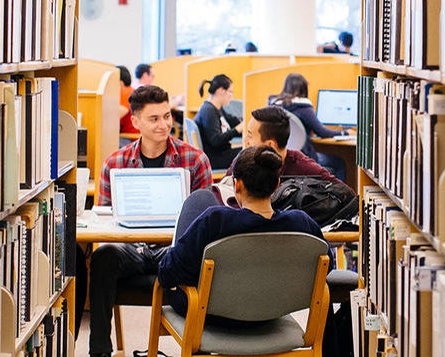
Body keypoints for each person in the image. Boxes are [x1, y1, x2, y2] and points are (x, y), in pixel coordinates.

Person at [86, 85, 214, 357]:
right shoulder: (115, 162)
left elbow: (206, 220)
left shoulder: (195, 160)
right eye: (154, 119)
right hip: (131, 249)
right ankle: (99, 352)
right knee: (103, 256)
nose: (164, 124)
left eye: (167, 116)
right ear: (135, 122)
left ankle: (198, 347)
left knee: (203, 261)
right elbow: (105, 221)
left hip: (174, 250)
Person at [158, 144, 326, 316]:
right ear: (277, 185)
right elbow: (326, 266)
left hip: (209, 315)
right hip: (271, 314)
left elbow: (169, 271)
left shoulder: (215, 221)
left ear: (237, 185)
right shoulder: (302, 223)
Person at [227, 106, 346, 189]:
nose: (245, 140)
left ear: (270, 145)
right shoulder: (243, 160)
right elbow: (222, 190)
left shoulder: (302, 167)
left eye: (250, 135)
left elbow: (343, 191)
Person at [272, 73, 349, 180]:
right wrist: (346, 133)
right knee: (339, 162)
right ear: (304, 89)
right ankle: (342, 195)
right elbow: (323, 132)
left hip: (281, 157)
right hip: (302, 157)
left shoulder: (274, 107)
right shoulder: (304, 108)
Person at [193, 74, 244, 168]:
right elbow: (216, 140)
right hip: (214, 158)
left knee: (248, 151)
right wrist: (237, 130)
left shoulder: (217, 108)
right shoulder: (209, 111)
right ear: (221, 90)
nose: (231, 96)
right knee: (248, 153)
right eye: (230, 92)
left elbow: (232, 121)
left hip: (220, 154)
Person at [116, 65, 139, 138]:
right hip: (131, 134)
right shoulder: (130, 90)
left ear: (120, 82)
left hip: (129, 136)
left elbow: (118, 115)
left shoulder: (125, 92)